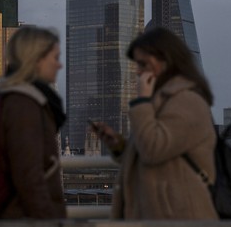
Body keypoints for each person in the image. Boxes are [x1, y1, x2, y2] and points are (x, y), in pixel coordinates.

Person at [93, 27, 218, 220]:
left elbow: (153, 150)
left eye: (143, 64)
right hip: (159, 214)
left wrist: (142, 101)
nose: (138, 71)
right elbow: (152, 151)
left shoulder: (188, 101)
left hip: (180, 217)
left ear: (166, 61)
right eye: (137, 64)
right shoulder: (162, 100)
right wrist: (119, 146)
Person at [0, 26, 67, 219]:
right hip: (23, 218)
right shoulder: (24, 105)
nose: (60, 66)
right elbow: (29, 178)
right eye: (55, 58)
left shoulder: (19, 99)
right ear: (36, 60)